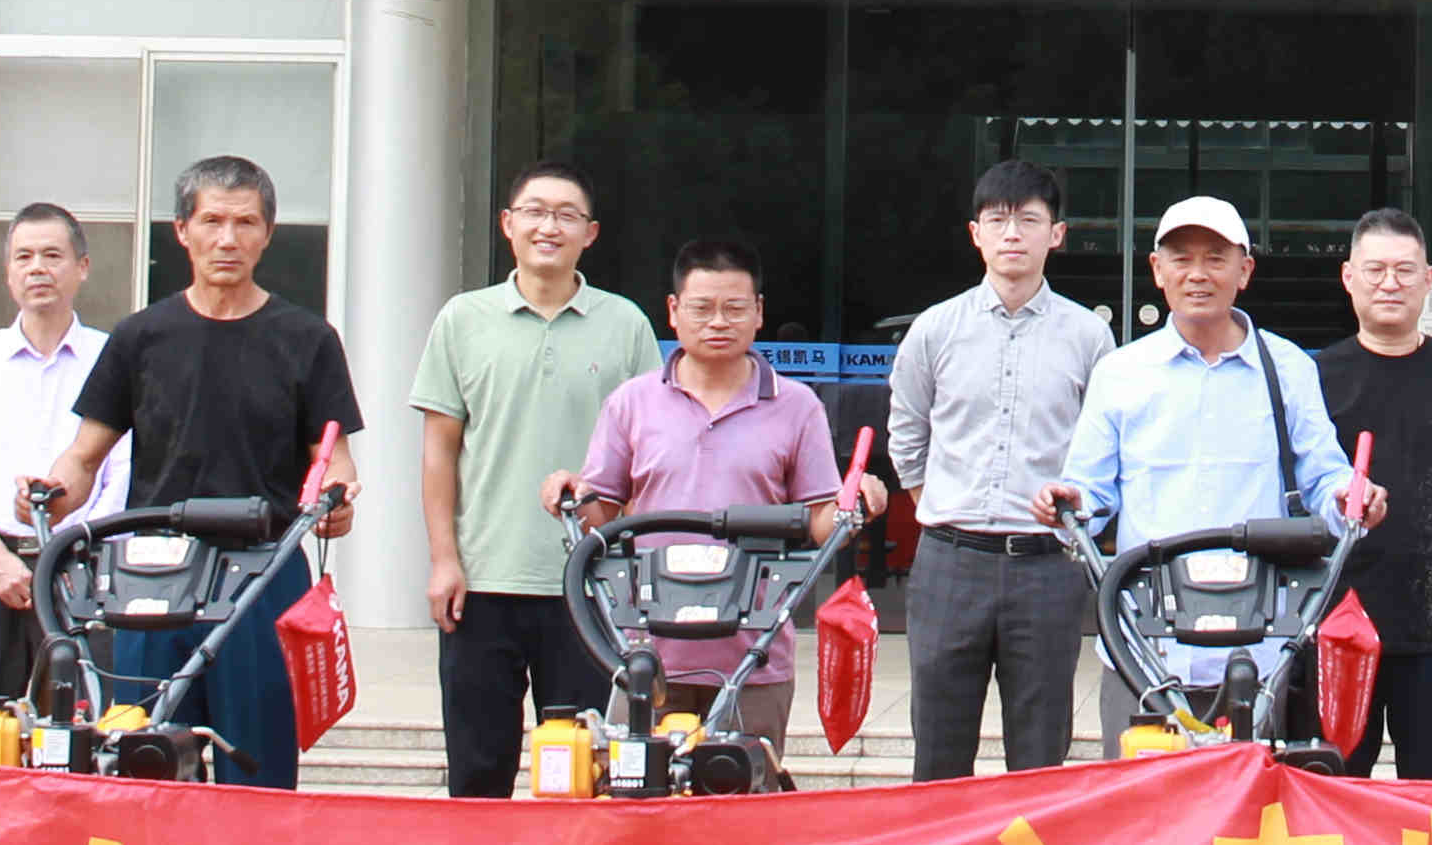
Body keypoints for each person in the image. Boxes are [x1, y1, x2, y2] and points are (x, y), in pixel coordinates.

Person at [33, 158, 361, 792]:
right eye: (212, 221)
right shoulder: (140, 336)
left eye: (245, 223)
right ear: (182, 230)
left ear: (268, 233)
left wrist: (337, 499)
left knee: (259, 769)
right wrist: (49, 494)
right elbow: (83, 456)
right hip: (153, 575)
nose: (227, 239)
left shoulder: (307, 338)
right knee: (144, 760)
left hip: (263, 574)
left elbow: (335, 455)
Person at [1040, 196, 1380, 733]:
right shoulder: (1120, 373)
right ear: (1158, 270)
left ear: (1244, 271)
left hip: (1258, 654)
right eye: (1182, 258)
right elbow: (1090, 493)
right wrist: (1068, 503)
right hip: (1143, 651)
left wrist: (1349, 496)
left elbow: (1324, 477)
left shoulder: (1287, 367)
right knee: (1142, 789)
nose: (1197, 274)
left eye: (1216, 258)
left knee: (1248, 790)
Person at [410, 161, 658, 793]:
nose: (549, 227)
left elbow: (645, 455)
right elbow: (439, 452)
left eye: (567, 215)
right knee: (477, 767)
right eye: (535, 212)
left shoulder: (625, 324)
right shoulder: (463, 319)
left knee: (582, 772)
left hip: (588, 583)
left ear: (590, 233)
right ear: (507, 224)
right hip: (482, 580)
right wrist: (444, 559)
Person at [552, 237, 846, 752]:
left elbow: (822, 522)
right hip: (646, 653)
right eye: (702, 308)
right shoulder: (632, 403)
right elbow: (600, 517)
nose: (718, 322)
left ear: (759, 313)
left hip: (752, 656)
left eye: (735, 308)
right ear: (673, 311)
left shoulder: (798, 406)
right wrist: (569, 492)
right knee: (639, 789)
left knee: (746, 789)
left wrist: (853, 504)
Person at [885, 160, 1117, 781]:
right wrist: (938, 505)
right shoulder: (935, 330)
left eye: (1028, 220)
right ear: (976, 233)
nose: (1012, 234)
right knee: (938, 749)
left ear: (1056, 234)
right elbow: (907, 433)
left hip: (1046, 566)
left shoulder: (1089, 337)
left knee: (1040, 752)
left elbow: (1102, 449)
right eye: (998, 220)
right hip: (949, 563)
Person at [1319, 207, 1432, 780]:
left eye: (1405, 270)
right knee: (1335, 786)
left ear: (1429, 280)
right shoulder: (1316, 377)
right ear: (1349, 277)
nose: (1390, 283)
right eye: (1375, 270)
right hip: (1336, 618)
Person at [0, 203, 120, 722]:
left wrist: (68, 551)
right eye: (24, 257)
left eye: (52, 256)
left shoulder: (113, 359)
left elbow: (122, 475)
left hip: (83, 567)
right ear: (8, 272)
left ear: (81, 267)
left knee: (81, 725)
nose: (38, 268)